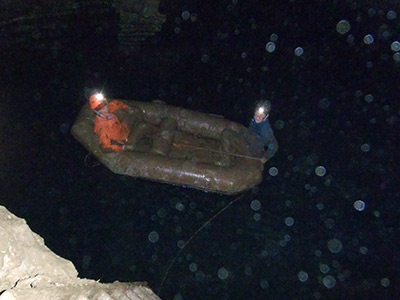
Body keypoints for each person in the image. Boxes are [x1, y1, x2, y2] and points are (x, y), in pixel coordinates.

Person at [216, 99, 278, 167]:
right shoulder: (255, 120)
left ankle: (226, 161)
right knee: (233, 125)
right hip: (248, 137)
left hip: (250, 149)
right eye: (256, 114)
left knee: (227, 133)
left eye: (261, 116)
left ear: (266, 117)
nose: (257, 117)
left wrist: (265, 158)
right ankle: (229, 150)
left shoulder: (266, 130)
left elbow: (274, 145)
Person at [90, 93, 156, 152]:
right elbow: (105, 147)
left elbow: (116, 103)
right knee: (143, 126)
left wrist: (127, 108)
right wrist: (123, 147)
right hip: (125, 140)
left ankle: (146, 130)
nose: (106, 109)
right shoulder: (102, 127)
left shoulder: (106, 110)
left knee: (134, 111)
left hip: (123, 128)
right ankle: (158, 133)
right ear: (97, 112)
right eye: (102, 109)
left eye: (105, 105)